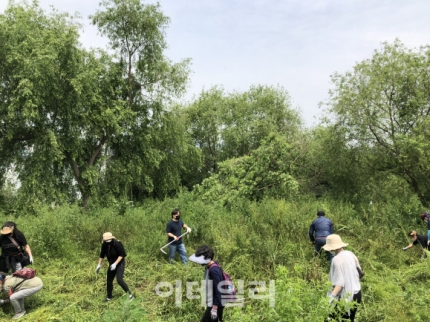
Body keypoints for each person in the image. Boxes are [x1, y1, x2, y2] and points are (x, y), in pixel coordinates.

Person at [323, 234, 362, 322]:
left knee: (330, 319)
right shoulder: (351, 254)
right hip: (357, 294)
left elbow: (340, 284)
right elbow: (359, 272)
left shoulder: (336, 260)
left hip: (346, 297)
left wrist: (330, 299)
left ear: (332, 248)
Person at [189, 245, 225, 322]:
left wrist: (214, 308)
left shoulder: (213, 270)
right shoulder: (210, 266)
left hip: (215, 305)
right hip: (213, 303)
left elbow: (219, 290)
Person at [95, 232, 133, 302]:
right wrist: (99, 265)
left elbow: (122, 255)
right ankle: (109, 296)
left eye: (109, 240)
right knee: (109, 280)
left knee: (119, 280)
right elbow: (102, 255)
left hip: (119, 263)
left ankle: (130, 295)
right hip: (111, 264)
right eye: (106, 240)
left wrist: (115, 264)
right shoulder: (104, 245)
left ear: (112, 238)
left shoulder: (117, 244)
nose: (108, 241)